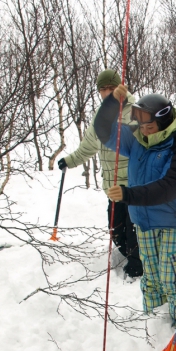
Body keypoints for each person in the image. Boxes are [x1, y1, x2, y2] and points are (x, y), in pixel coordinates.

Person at [94, 86, 176, 327]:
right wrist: (112, 102)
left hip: (173, 221)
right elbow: (102, 129)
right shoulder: (137, 140)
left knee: (170, 278)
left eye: (150, 127)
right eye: (141, 127)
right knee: (151, 278)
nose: (145, 132)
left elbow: (170, 186)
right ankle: (153, 324)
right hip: (143, 221)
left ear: (164, 122)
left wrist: (129, 194)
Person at [58, 69, 143, 279]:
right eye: (102, 90)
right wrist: (69, 161)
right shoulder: (100, 115)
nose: (106, 93)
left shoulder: (136, 110)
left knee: (134, 232)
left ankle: (137, 269)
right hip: (112, 187)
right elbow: (88, 147)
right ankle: (129, 256)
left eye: (110, 88)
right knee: (117, 231)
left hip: (134, 185)